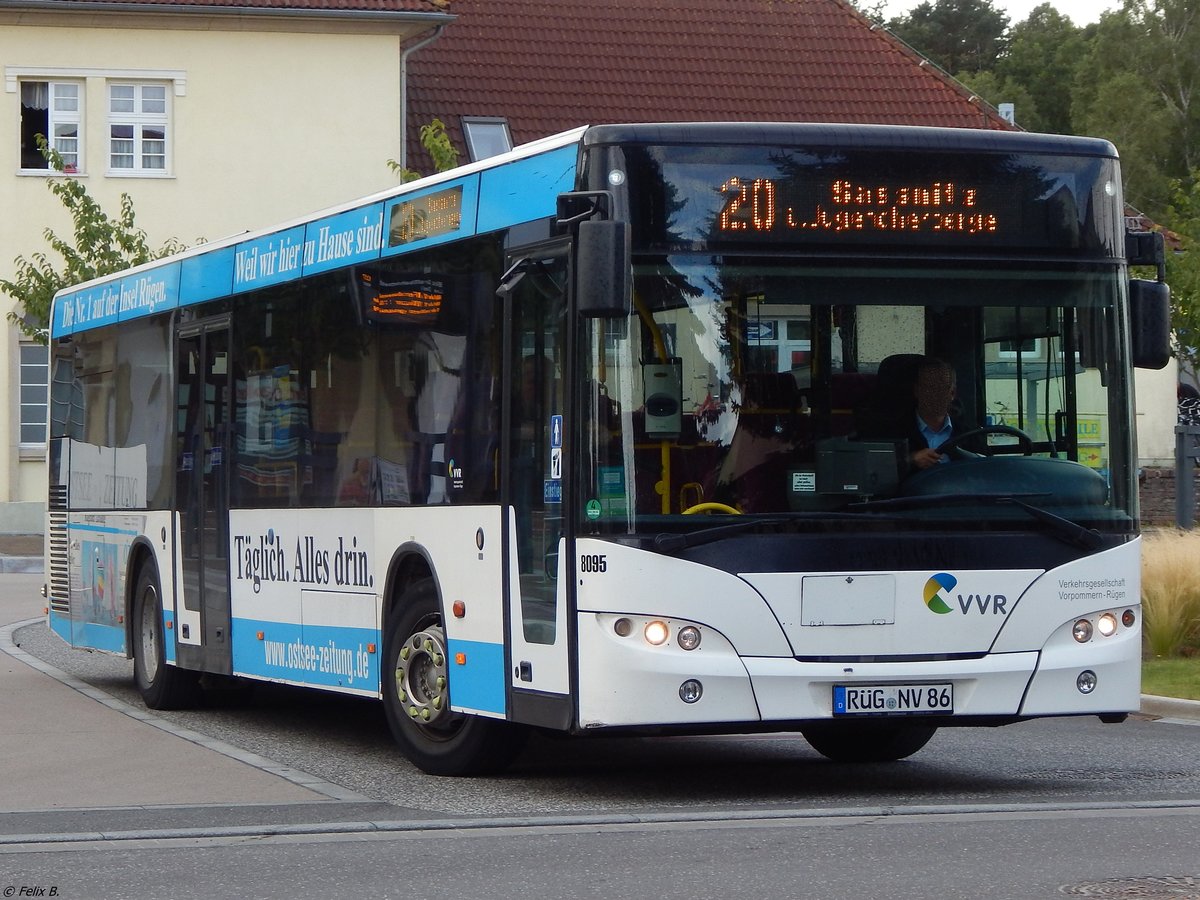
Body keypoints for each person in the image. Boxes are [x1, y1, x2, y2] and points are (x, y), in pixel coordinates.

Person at [906, 357, 959, 471]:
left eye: (941, 388)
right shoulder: (893, 432)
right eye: (928, 387)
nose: (934, 394)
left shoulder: (970, 435)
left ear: (952, 393)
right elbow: (877, 466)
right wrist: (910, 459)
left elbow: (986, 469)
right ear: (917, 391)